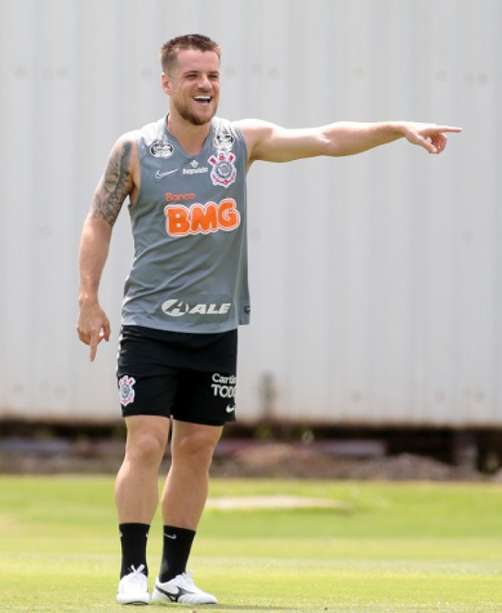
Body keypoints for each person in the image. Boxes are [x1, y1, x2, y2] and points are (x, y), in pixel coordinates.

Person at [76, 33, 461, 606]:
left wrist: (396, 128)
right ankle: (133, 569)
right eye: (192, 76)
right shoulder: (135, 150)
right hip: (151, 325)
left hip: (216, 328)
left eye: (212, 74)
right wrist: (89, 297)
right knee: (147, 441)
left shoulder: (239, 142)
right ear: (167, 83)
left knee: (198, 448)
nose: (205, 85)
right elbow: (99, 219)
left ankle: (174, 575)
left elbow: (326, 138)